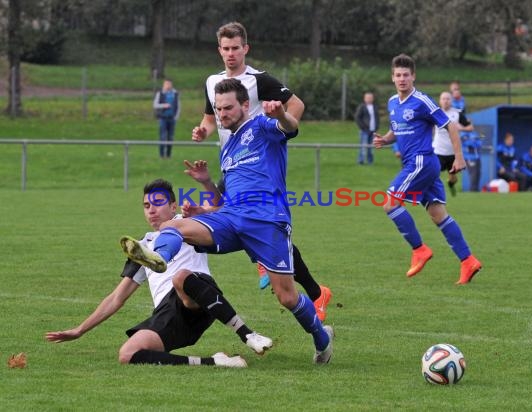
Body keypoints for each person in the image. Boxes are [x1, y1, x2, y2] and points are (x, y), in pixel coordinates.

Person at [120, 79, 334, 364]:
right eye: (218, 109)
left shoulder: (261, 125)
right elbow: (226, 202)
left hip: (267, 221)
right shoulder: (228, 147)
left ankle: (322, 339)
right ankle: (159, 257)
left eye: (228, 107)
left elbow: (290, 126)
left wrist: (280, 113)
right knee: (173, 226)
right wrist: (204, 204)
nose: (222, 114)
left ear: (245, 105)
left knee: (287, 297)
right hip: (231, 219)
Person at [46, 179, 273, 368]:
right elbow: (117, 297)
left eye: (158, 203)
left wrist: (205, 181)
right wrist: (80, 330)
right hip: (170, 314)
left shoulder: (185, 223)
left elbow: (222, 208)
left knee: (180, 277)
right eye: (146, 206)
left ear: (173, 207)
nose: (151, 210)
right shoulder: (142, 246)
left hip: (199, 294)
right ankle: (216, 362)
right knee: (128, 354)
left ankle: (247, 334)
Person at [191, 21, 332, 320]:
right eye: (225, 49)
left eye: (236, 48)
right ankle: (314, 291)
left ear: (246, 48)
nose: (231, 54)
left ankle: (307, 287)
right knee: (241, 223)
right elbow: (208, 119)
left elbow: (297, 105)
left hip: (258, 165)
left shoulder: (260, 80)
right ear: (219, 50)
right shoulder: (212, 82)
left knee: (225, 216)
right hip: (231, 164)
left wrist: (280, 128)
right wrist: (203, 131)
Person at [373, 54, 482, 285]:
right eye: (398, 75)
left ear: (413, 77)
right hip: (418, 165)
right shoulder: (393, 102)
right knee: (438, 214)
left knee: (390, 204)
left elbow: (450, 126)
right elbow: (397, 130)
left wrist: (459, 157)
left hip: (421, 161)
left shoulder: (422, 101)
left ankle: (419, 249)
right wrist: (385, 140)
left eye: (406, 75)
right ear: (392, 78)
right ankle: (468, 261)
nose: (402, 79)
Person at [433, 91, 474, 196]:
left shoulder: (457, 113)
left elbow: (471, 127)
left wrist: (462, 127)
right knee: (433, 173)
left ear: (451, 101)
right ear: (440, 101)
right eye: (443, 99)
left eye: (448, 99)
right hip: (438, 150)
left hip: (453, 152)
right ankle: (436, 194)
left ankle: (451, 184)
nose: (446, 101)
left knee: (453, 177)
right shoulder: (435, 113)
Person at [153, 79, 180, 159]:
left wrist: (176, 117)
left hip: (172, 119)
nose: (168, 85)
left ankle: (168, 155)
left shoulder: (175, 94)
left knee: (170, 137)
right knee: (162, 137)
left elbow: (178, 106)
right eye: (166, 84)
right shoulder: (160, 93)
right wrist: (163, 105)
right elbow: (155, 105)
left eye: (169, 84)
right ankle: (161, 155)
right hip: (163, 118)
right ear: (164, 85)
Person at [354, 91, 380, 165]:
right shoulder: (362, 107)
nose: (369, 99)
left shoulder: (375, 107)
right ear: (364, 99)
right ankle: (361, 160)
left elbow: (377, 118)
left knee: (371, 147)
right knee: (363, 146)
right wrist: (363, 127)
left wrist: (377, 127)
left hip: (373, 131)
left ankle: (370, 161)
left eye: (370, 98)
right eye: (367, 98)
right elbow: (357, 118)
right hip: (364, 131)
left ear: (373, 99)